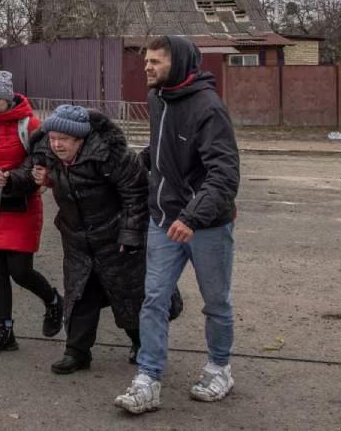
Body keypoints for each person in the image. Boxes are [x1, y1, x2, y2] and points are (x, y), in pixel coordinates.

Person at [115, 35, 240, 415]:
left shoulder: (208, 108)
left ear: (180, 63)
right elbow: (164, 148)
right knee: (153, 299)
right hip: (163, 219)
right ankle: (148, 378)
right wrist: (139, 161)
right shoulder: (158, 99)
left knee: (216, 302)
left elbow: (224, 174)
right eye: (147, 61)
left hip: (207, 226)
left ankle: (219, 368)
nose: (147, 67)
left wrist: (192, 217)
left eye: (156, 62)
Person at [4, 105, 151, 375]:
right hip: (76, 238)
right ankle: (77, 351)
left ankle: (142, 343)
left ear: (80, 140)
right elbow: (27, 174)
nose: (56, 144)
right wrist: (10, 179)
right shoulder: (46, 150)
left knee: (126, 294)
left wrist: (131, 233)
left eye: (64, 139)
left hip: (113, 235)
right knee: (80, 294)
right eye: (53, 137)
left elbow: (137, 192)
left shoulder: (111, 155)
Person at [0, 70, 62, 355]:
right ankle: (4, 329)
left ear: (8, 98)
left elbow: (42, 162)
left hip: (21, 205)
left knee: (20, 271)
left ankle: (53, 300)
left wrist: (18, 177)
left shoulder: (30, 125)